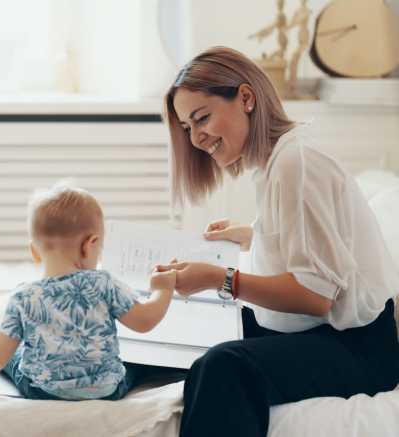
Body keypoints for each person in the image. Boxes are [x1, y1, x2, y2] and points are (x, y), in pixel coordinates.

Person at [157, 46, 399, 436]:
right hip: (322, 330)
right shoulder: (277, 162)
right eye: (187, 127)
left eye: (201, 118)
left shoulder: (296, 164)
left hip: (358, 349)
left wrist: (219, 278)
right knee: (199, 325)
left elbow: (314, 293)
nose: (196, 138)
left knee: (223, 365)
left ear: (246, 98)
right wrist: (253, 236)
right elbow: (319, 245)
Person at [0, 182, 178, 400]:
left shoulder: (24, 297)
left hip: (43, 390)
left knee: (10, 352)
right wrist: (162, 289)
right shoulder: (104, 283)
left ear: (34, 251)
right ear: (90, 245)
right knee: (135, 363)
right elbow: (145, 321)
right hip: (106, 390)